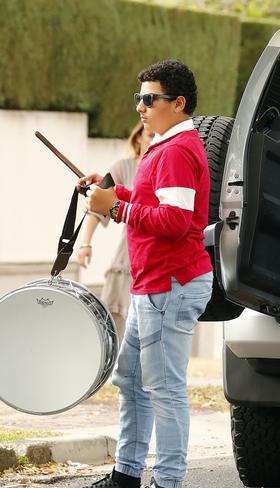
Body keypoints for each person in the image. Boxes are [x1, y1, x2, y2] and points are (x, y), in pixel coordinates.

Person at [79, 59, 213, 488]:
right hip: (154, 286)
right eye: (139, 98)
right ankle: (126, 475)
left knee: (164, 388)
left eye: (149, 98)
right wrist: (110, 189)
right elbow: (149, 200)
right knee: (133, 380)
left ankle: (168, 481)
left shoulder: (175, 150)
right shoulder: (164, 144)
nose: (140, 106)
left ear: (178, 103)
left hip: (170, 285)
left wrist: (116, 208)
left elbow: (174, 220)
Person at [76, 121, 154, 344]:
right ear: (138, 137)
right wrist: (85, 244)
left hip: (155, 258)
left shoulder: (164, 167)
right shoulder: (123, 167)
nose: (152, 142)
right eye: (149, 136)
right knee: (111, 325)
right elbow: (98, 209)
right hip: (127, 256)